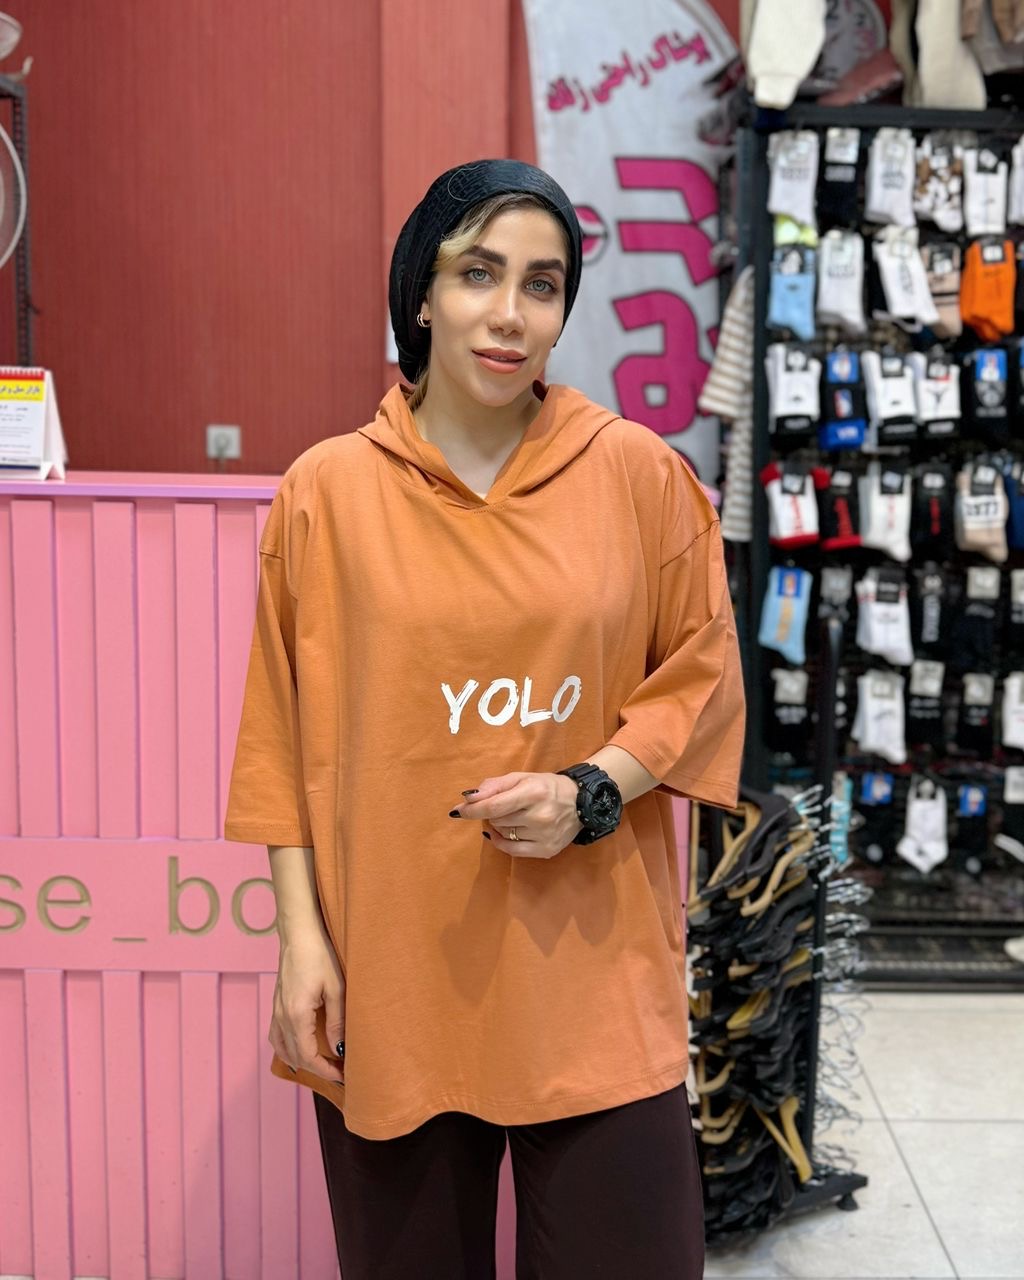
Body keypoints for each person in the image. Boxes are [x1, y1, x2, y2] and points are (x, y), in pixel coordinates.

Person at [225, 158, 745, 1279]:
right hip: (396, 974)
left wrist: (590, 791)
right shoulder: (326, 491)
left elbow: (700, 675)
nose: (510, 313)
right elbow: (279, 735)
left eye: (542, 284)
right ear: (421, 293)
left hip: (594, 974)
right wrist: (302, 945)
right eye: (478, 273)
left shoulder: (638, 476)